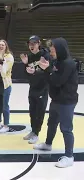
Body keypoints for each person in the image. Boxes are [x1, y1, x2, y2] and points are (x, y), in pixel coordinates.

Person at [34, 37, 79, 168]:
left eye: (52, 48)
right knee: (51, 123)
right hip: (56, 100)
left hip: (67, 101)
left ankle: (69, 157)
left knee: (66, 128)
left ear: (59, 49)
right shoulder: (56, 62)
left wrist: (48, 69)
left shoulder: (69, 64)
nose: (50, 51)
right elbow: (51, 78)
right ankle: (48, 144)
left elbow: (58, 81)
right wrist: (42, 69)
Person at [20, 35, 50, 144]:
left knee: (39, 112)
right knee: (32, 111)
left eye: (34, 43)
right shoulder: (29, 57)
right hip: (32, 88)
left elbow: (48, 72)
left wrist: (35, 72)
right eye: (30, 44)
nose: (31, 46)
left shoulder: (45, 55)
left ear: (39, 44)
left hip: (42, 88)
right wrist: (24, 65)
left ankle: (36, 133)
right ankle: (33, 131)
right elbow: (26, 74)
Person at [0, 39, 14, 133]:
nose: (1, 46)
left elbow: (4, 72)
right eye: (0, 45)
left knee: (4, 105)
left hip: (5, 84)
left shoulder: (9, 57)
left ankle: (6, 125)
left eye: (3, 45)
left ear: (6, 46)